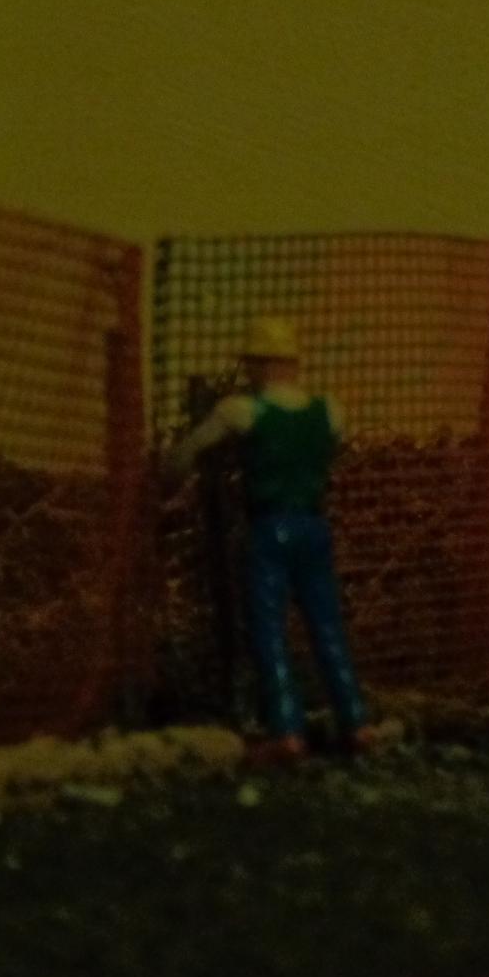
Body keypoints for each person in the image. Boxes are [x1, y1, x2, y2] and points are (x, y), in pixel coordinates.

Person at [165, 316, 382, 763]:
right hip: (314, 527)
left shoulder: (241, 411)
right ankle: (356, 721)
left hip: (269, 528)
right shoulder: (330, 410)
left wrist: (170, 475)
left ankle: (286, 729)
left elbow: (184, 455)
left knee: (269, 631)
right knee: (327, 625)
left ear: (260, 365)